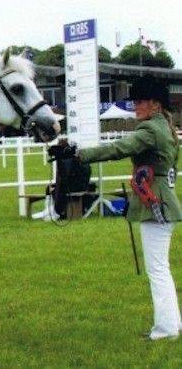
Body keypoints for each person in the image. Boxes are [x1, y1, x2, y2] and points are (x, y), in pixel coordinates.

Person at [49, 74, 181, 341]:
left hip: (154, 204)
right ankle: (171, 325)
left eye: (140, 102)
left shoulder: (149, 130)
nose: (135, 106)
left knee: (157, 268)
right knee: (160, 267)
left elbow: (121, 148)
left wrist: (79, 154)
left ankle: (166, 330)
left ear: (155, 104)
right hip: (165, 201)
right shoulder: (165, 127)